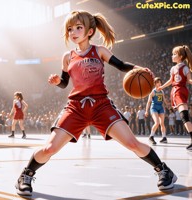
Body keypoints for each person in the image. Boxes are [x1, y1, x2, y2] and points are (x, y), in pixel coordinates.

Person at [14, 10, 177, 197]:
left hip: (101, 105)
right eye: (70, 29)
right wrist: (56, 81)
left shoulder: (99, 51)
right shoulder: (68, 56)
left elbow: (121, 65)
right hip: (76, 106)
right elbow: (65, 82)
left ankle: (164, 171)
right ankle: (25, 176)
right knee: (49, 148)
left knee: (132, 143)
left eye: (78, 27)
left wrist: (139, 69)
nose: (73, 32)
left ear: (90, 31)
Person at [158, 45, 192, 150]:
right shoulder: (173, 68)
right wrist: (162, 87)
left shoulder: (185, 68)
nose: (172, 56)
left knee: (184, 117)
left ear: (181, 56)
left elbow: (189, 80)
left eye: (174, 54)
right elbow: (171, 80)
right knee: (184, 117)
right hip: (175, 91)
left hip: (180, 91)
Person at [145, 77, 168, 145]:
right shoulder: (153, 92)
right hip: (154, 108)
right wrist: (146, 111)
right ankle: (151, 136)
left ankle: (164, 137)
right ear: (155, 84)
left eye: (160, 82)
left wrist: (170, 105)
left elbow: (164, 100)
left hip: (160, 108)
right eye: (158, 82)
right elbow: (148, 102)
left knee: (162, 123)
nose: (160, 84)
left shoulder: (162, 91)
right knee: (157, 122)